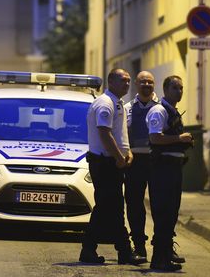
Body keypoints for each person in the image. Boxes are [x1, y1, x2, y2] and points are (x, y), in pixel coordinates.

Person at [79, 68, 146, 266]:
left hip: (113, 162)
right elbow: (104, 133)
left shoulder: (118, 104)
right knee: (108, 207)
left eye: (128, 81)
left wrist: (128, 152)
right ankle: (91, 249)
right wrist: (118, 157)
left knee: (113, 208)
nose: (127, 84)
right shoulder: (105, 104)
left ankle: (121, 251)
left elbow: (120, 134)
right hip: (105, 163)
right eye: (123, 80)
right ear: (111, 82)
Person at [146, 75, 194, 271]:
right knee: (163, 213)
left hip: (173, 168)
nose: (179, 91)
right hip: (162, 169)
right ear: (165, 90)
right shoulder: (159, 110)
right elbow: (155, 138)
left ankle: (166, 255)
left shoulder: (172, 111)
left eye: (181, 88)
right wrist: (179, 138)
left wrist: (185, 141)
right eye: (175, 88)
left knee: (171, 214)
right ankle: (159, 260)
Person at [123, 71, 159, 260]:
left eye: (150, 82)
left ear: (154, 85)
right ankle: (139, 246)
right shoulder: (128, 108)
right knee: (135, 204)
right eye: (143, 81)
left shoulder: (161, 108)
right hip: (135, 162)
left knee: (160, 205)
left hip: (156, 162)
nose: (146, 84)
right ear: (136, 84)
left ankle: (163, 246)